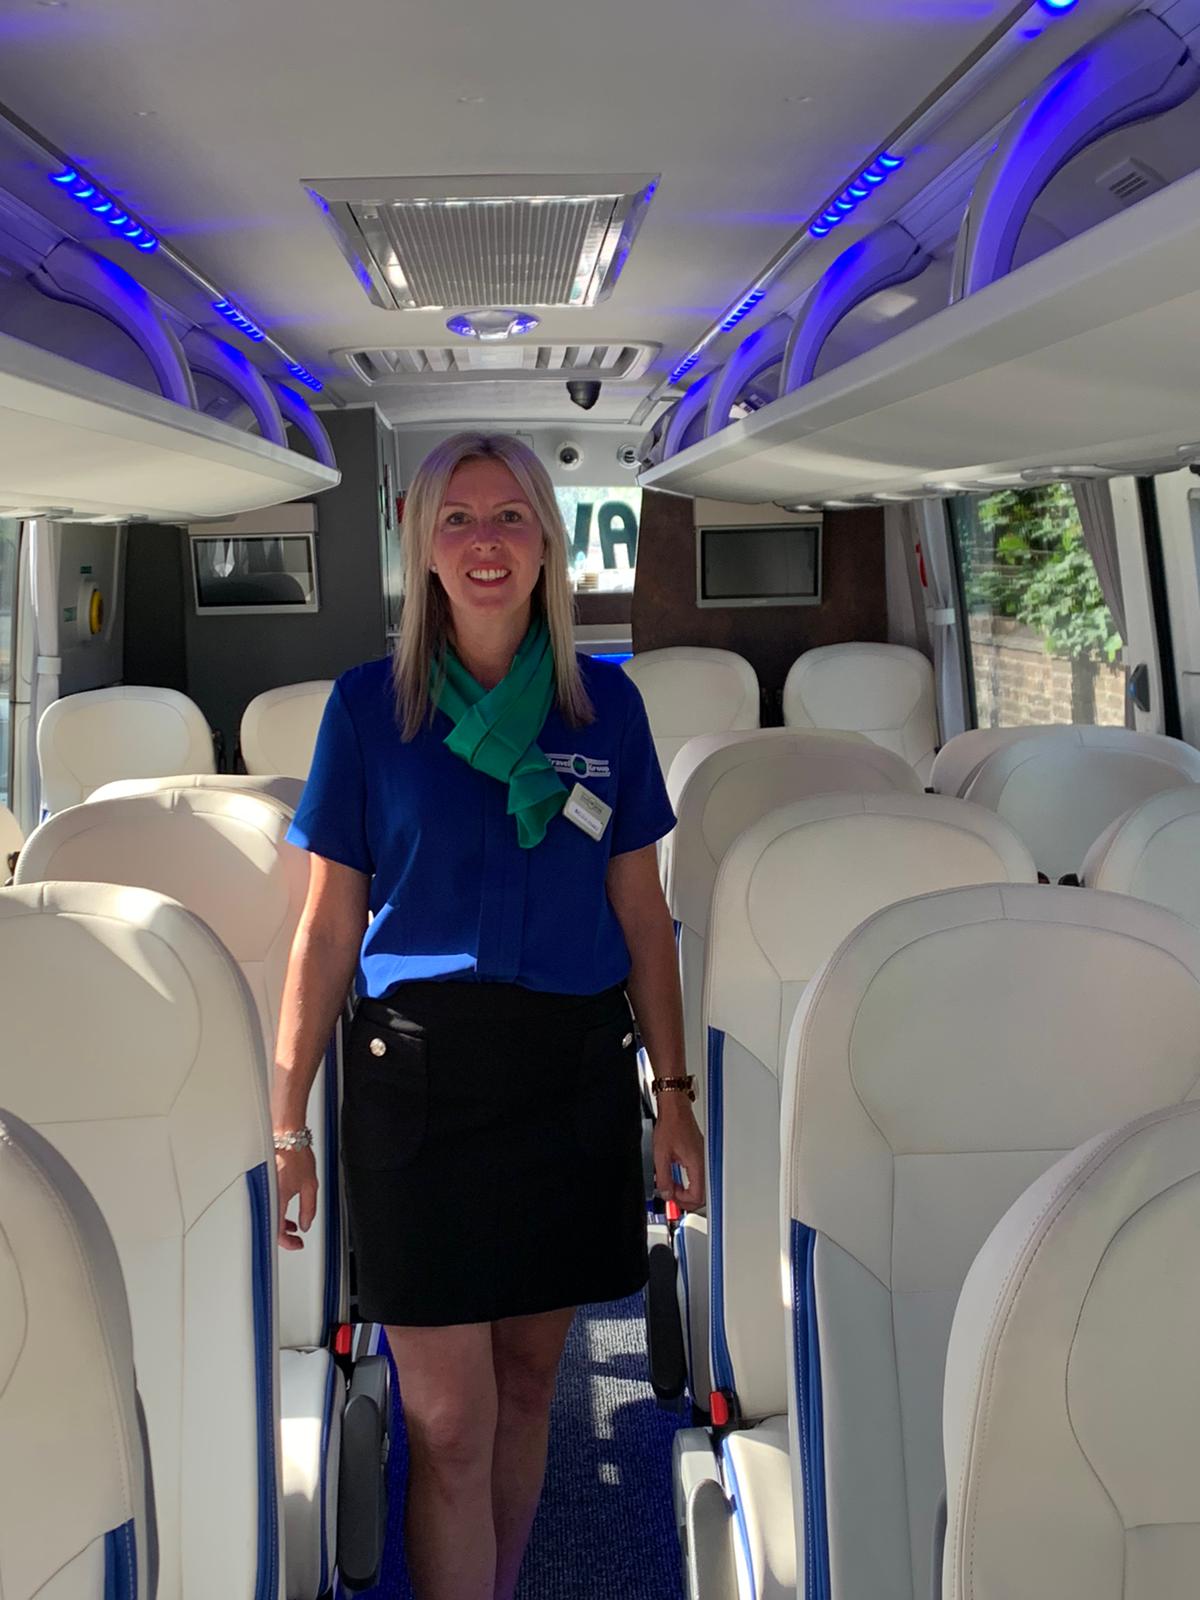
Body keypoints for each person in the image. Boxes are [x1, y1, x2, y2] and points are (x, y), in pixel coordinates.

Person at [271, 430, 704, 1600]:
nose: (484, 542)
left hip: (568, 1076)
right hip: (417, 1087)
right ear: (421, 549)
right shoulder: (370, 711)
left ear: (548, 542)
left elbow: (642, 915)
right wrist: (288, 1121)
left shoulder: (605, 709)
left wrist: (673, 1097)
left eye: (510, 515)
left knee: (524, 1391)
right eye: (455, 520)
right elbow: (327, 930)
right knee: (449, 1421)